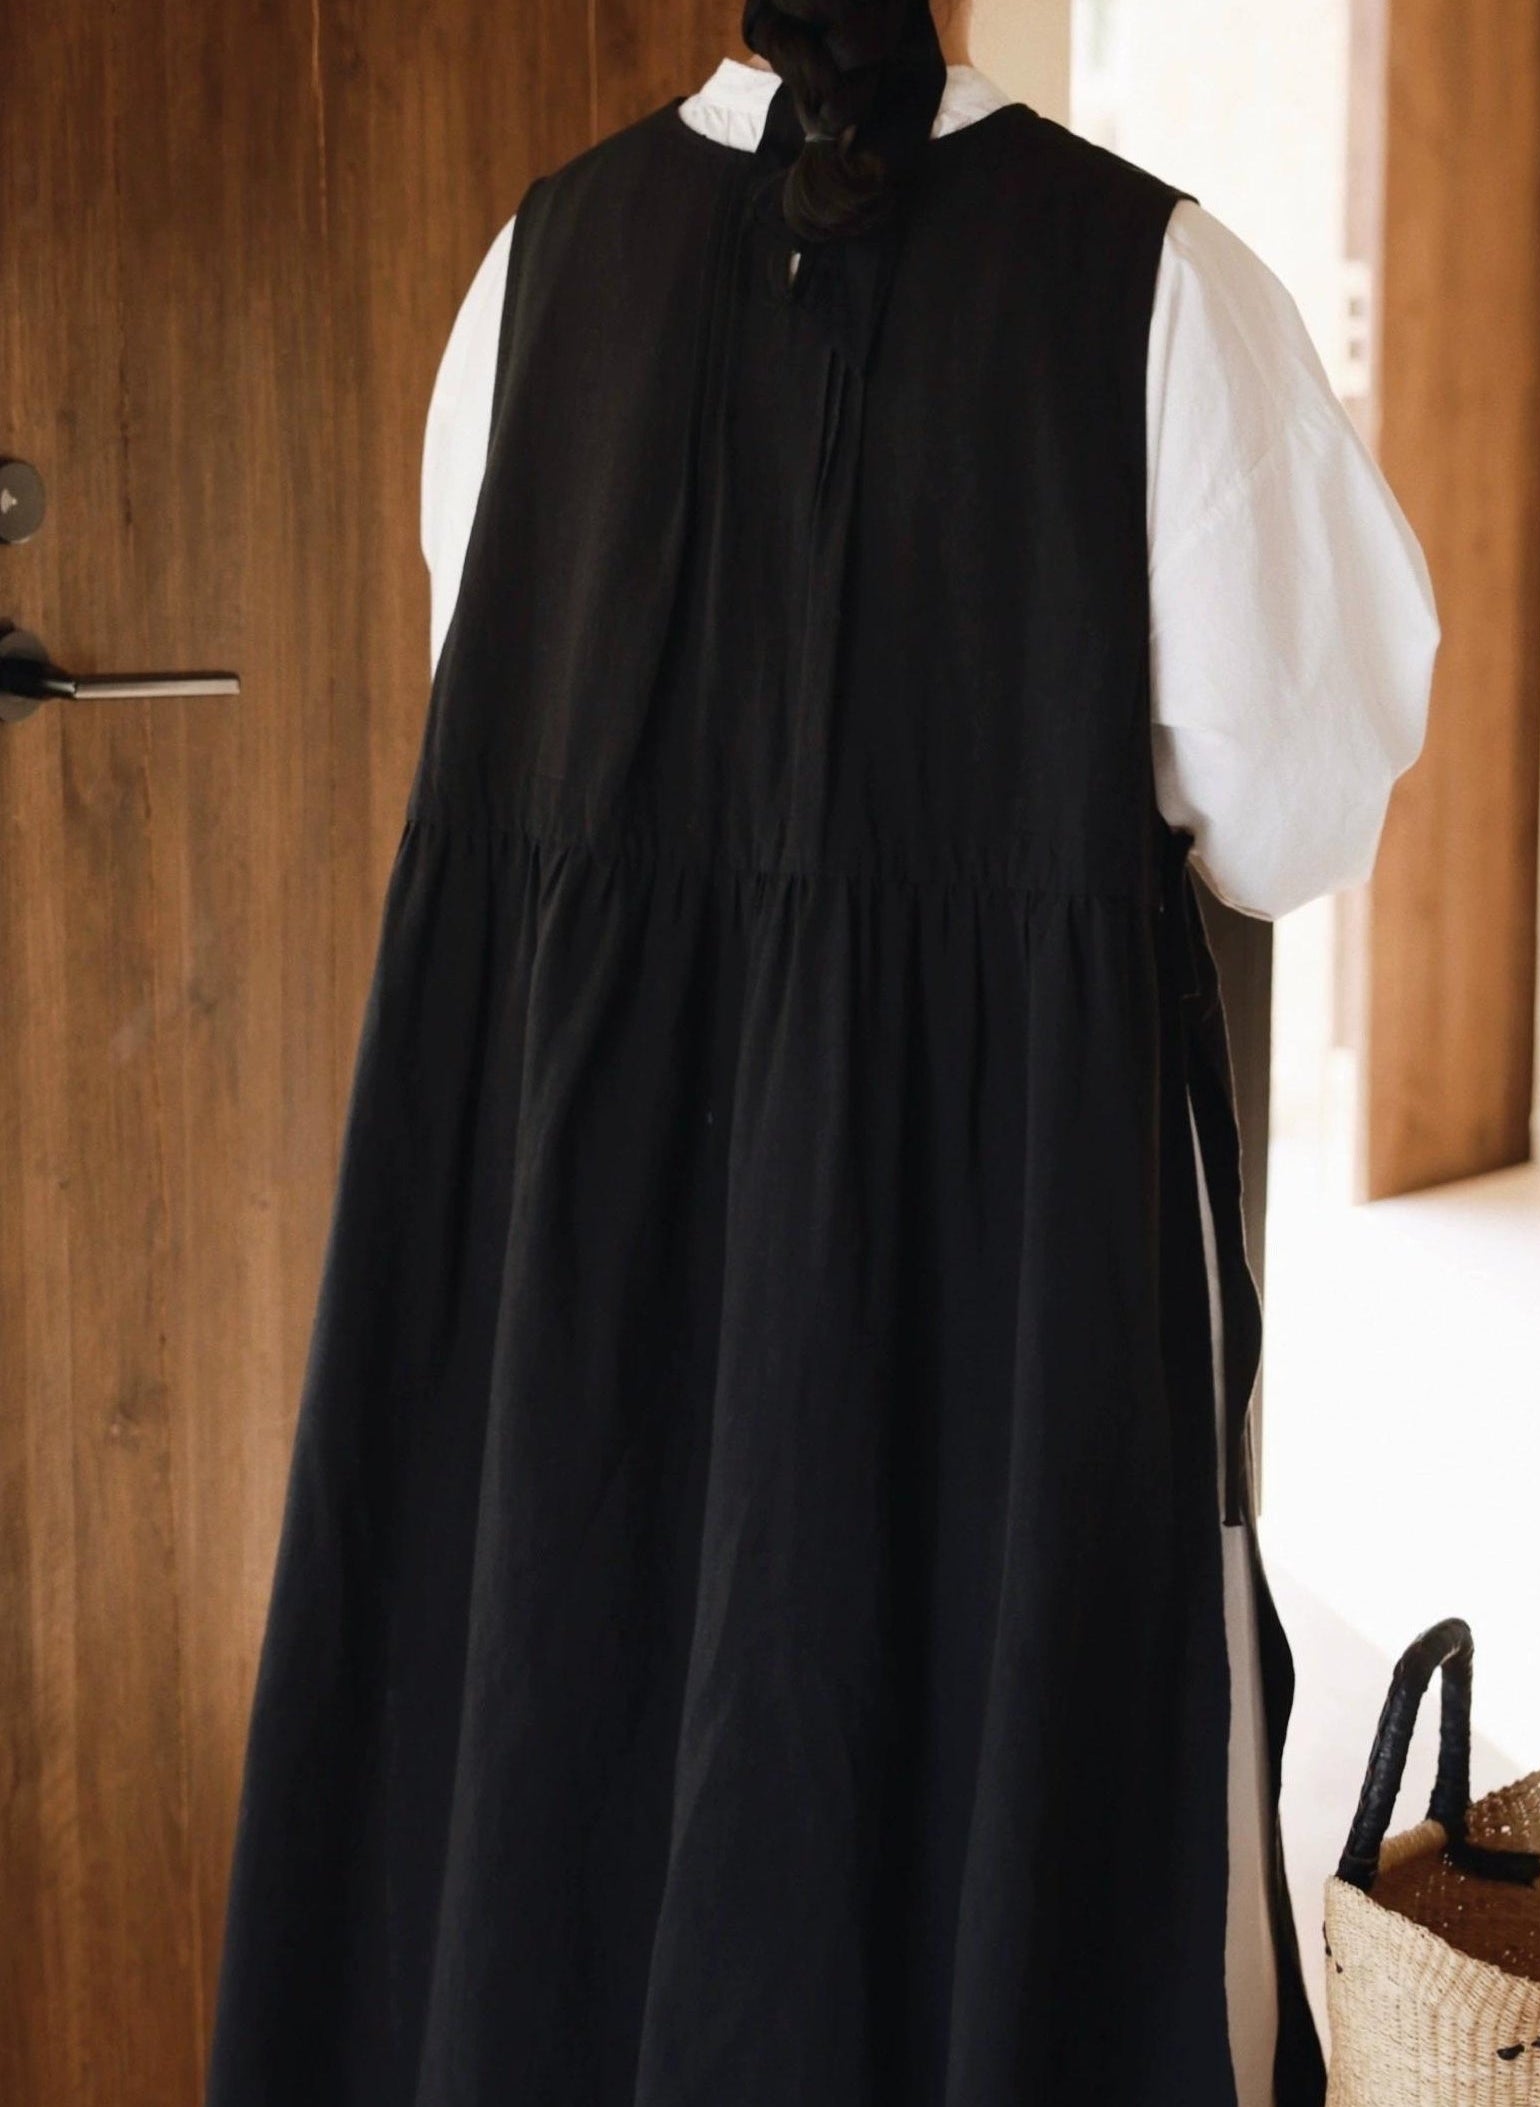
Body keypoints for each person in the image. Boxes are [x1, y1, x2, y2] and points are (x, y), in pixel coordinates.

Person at [205, 4, 1438, 2105]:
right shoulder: (1158, 289)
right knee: (966, 1825)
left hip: (578, 1250)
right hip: (984, 1255)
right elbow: (1294, 815)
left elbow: (490, 695)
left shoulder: (533, 269)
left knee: (563, 1788)